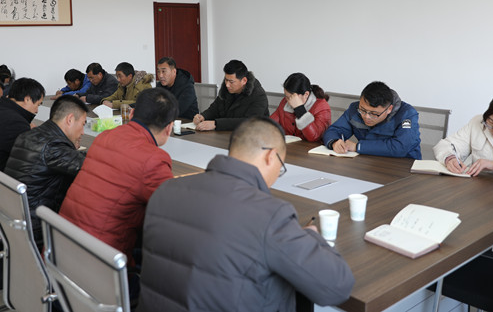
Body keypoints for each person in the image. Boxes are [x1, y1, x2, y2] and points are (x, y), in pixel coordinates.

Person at [137, 117, 355, 311]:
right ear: (270, 156)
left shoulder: (165, 190)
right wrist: (311, 237)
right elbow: (337, 286)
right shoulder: (270, 215)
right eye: (280, 166)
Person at [60, 87, 178, 265]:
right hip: (100, 265)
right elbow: (172, 215)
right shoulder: (154, 159)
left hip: (62, 248)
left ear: (131, 114)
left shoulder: (104, 137)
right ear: (169, 128)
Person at [434, 91, 493, 259]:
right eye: (490, 123)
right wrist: (450, 157)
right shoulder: (477, 122)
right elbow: (447, 144)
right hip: (476, 199)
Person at [4, 95, 88, 249]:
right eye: (82, 124)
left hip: (13, 215)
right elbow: (90, 169)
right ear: (70, 119)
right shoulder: (53, 146)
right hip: (36, 224)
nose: (82, 132)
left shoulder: (30, 134)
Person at [323, 81, 421, 159]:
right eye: (362, 110)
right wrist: (334, 142)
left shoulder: (407, 114)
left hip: (404, 166)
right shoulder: (354, 109)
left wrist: (358, 147)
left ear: (389, 109)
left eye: (374, 114)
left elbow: (400, 147)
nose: (366, 117)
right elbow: (334, 130)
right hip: (368, 162)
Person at [193, 59, 268, 131]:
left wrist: (216, 124)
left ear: (244, 80)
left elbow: (250, 122)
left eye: (231, 82)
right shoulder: (227, 89)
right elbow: (215, 108)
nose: (227, 85)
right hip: (227, 133)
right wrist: (203, 116)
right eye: (226, 80)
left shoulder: (258, 95)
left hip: (253, 135)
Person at [270, 72, 331, 142]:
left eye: (292, 97)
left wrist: (299, 109)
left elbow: (314, 137)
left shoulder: (322, 106)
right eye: (286, 96)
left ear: (306, 94)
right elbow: (269, 124)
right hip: (291, 146)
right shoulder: (285, 102)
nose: (288, 100)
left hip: (311, 148)